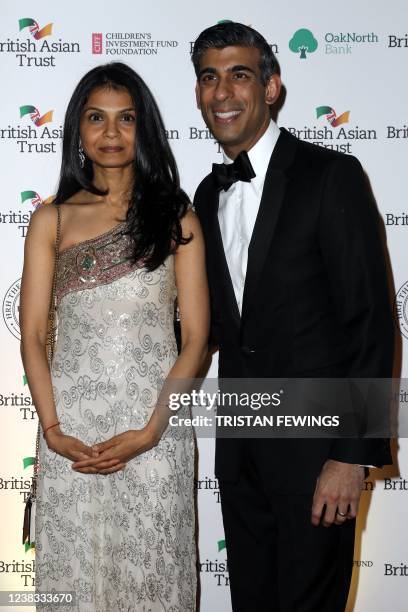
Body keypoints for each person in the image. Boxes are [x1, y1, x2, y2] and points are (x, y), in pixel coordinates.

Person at [192, 22, 394, 612]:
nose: (223, 92)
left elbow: (371, 324)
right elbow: (208, 327)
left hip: (318, 459)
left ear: (272, 87)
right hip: (242, 456)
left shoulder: (330, 174)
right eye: (209, 77)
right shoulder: (206, 195)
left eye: (240, 75)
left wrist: (352, 455)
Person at [20, 62, 209, 612]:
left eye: (125, 119)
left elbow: (195, 337)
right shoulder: (51, 220)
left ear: (143, 127)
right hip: (72, 434)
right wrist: (53, 430)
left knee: (154, 573)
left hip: (155, 429)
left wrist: (153, 430)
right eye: (95, 119)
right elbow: (32, 334)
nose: (110, 133)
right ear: (77, 130)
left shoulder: (176, 215)